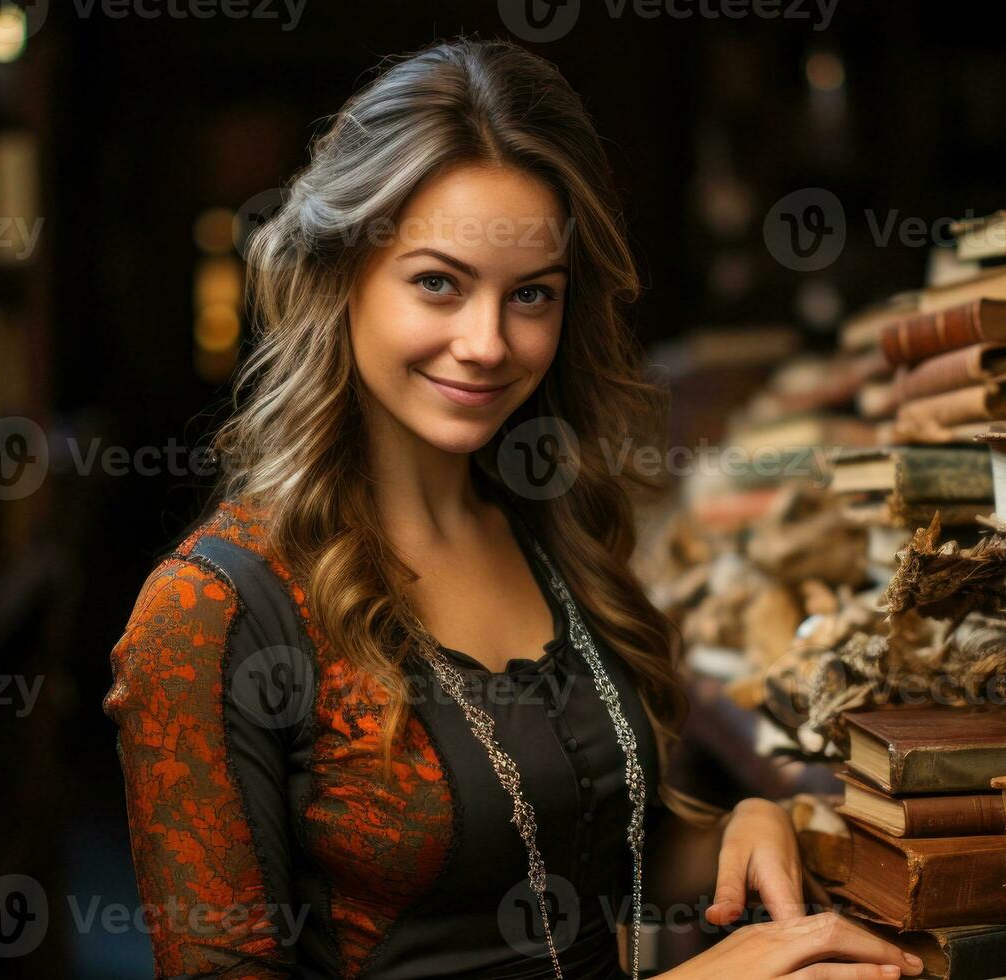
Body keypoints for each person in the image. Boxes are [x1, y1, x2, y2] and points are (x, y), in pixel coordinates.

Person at [105, 37, 921, 980]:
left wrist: (741, 827)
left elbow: (571, 857)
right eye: (438, 283)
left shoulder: (553, 529)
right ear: (339, 275)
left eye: (531, 294)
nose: (487, 344)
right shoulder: (213, 614)